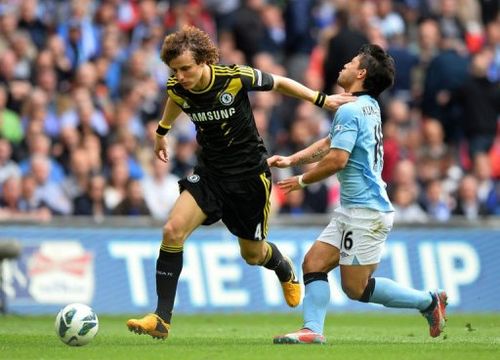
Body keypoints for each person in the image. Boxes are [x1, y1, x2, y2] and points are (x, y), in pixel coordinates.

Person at [126, 26, 355, 340]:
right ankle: (161, 318)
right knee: (172, 230)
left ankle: (280, 264)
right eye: (175, 70)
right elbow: (175, 99)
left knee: (252, 254)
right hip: (210, 173)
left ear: (204, 60)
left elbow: (280, 83)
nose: (180, 76)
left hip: (249, 177)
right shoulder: (178, 86)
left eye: (186, 69)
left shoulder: (232, 77)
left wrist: (321, 99)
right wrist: (162, 131)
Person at [268, 44, 448, 345]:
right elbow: (330, 141)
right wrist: (291, 159)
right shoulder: (368, 106)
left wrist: (300, 181)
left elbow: (337, 158)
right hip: (353, 208)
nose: (344, 65)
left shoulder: (350, 109)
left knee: (356, 288)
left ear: (361, 73)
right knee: (313, 263)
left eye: (350, 62)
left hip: (366, 211)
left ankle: (428, 302)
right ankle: (312, 329)